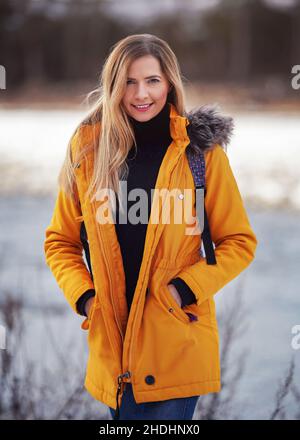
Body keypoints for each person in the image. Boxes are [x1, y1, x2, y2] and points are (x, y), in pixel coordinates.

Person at [44, 33, 258, 421]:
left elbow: (238, 242)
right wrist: (88, 299)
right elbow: (60, 241)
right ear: (114, 87)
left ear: (170, 83)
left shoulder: (200, 153)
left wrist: (183, 290)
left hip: (177, 344)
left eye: (152, 80)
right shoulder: (90, 150)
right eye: (129, 81)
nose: (141, 93)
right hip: (114, 349)